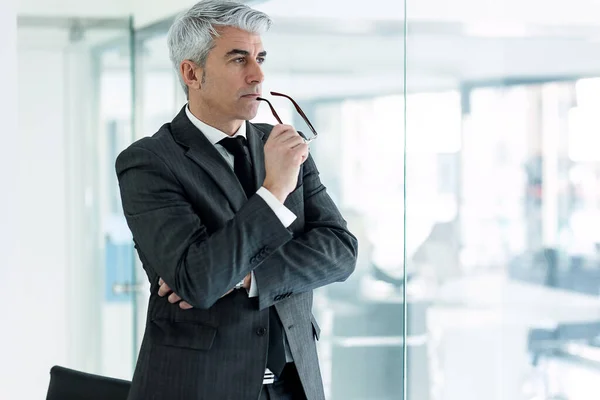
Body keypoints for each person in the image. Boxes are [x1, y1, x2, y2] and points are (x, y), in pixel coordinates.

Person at [115, 1, 358, 399]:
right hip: (199, 386)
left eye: (260, 57)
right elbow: (200, 280)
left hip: (293, 383)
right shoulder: (148, 162)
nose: (258, 74)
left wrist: (247, 277)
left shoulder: (283, 144)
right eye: (238, 58)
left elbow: (341, 251)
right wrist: (274, 189)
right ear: (192, 73)